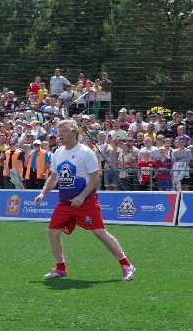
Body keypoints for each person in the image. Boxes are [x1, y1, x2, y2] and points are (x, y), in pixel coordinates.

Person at [38, 120, 135, 281]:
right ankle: (60, 268)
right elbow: (53, 177)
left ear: (74, 133)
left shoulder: (86, 152)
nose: (59, 134)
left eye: (63, 131)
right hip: (64, 203)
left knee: (100, 232)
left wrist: (82, 196)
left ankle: (126, 264)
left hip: (86, 202)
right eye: (58, 131)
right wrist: (42, 194)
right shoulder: (58, 152)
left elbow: (94, 178)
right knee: (52, 233)